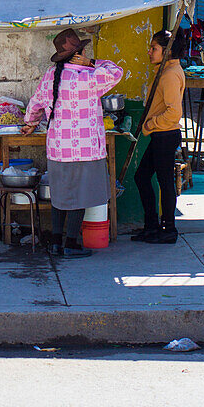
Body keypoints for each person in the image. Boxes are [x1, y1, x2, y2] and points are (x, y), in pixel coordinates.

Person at [22, 28, 123, 258]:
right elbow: (116, 72)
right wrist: (92, 62)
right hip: (86, 149)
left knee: (61, 194)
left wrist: (30, 122)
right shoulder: (89, 76)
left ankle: (56, 243)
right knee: (80, 196)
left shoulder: (51, 75)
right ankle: (71, 244)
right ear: (80, 52)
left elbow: (36, 103)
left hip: (58, 148)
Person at [132, 29, 186, 244]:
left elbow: (174, 112)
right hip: (160, 134)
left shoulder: (171, 74)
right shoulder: (164, 71)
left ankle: (169, 229)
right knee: (142, 177)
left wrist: (150, 124)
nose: (150, 52)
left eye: (154, 48)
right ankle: (152, 226)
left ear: (167, 51)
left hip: (165, 134)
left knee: (164, 183)